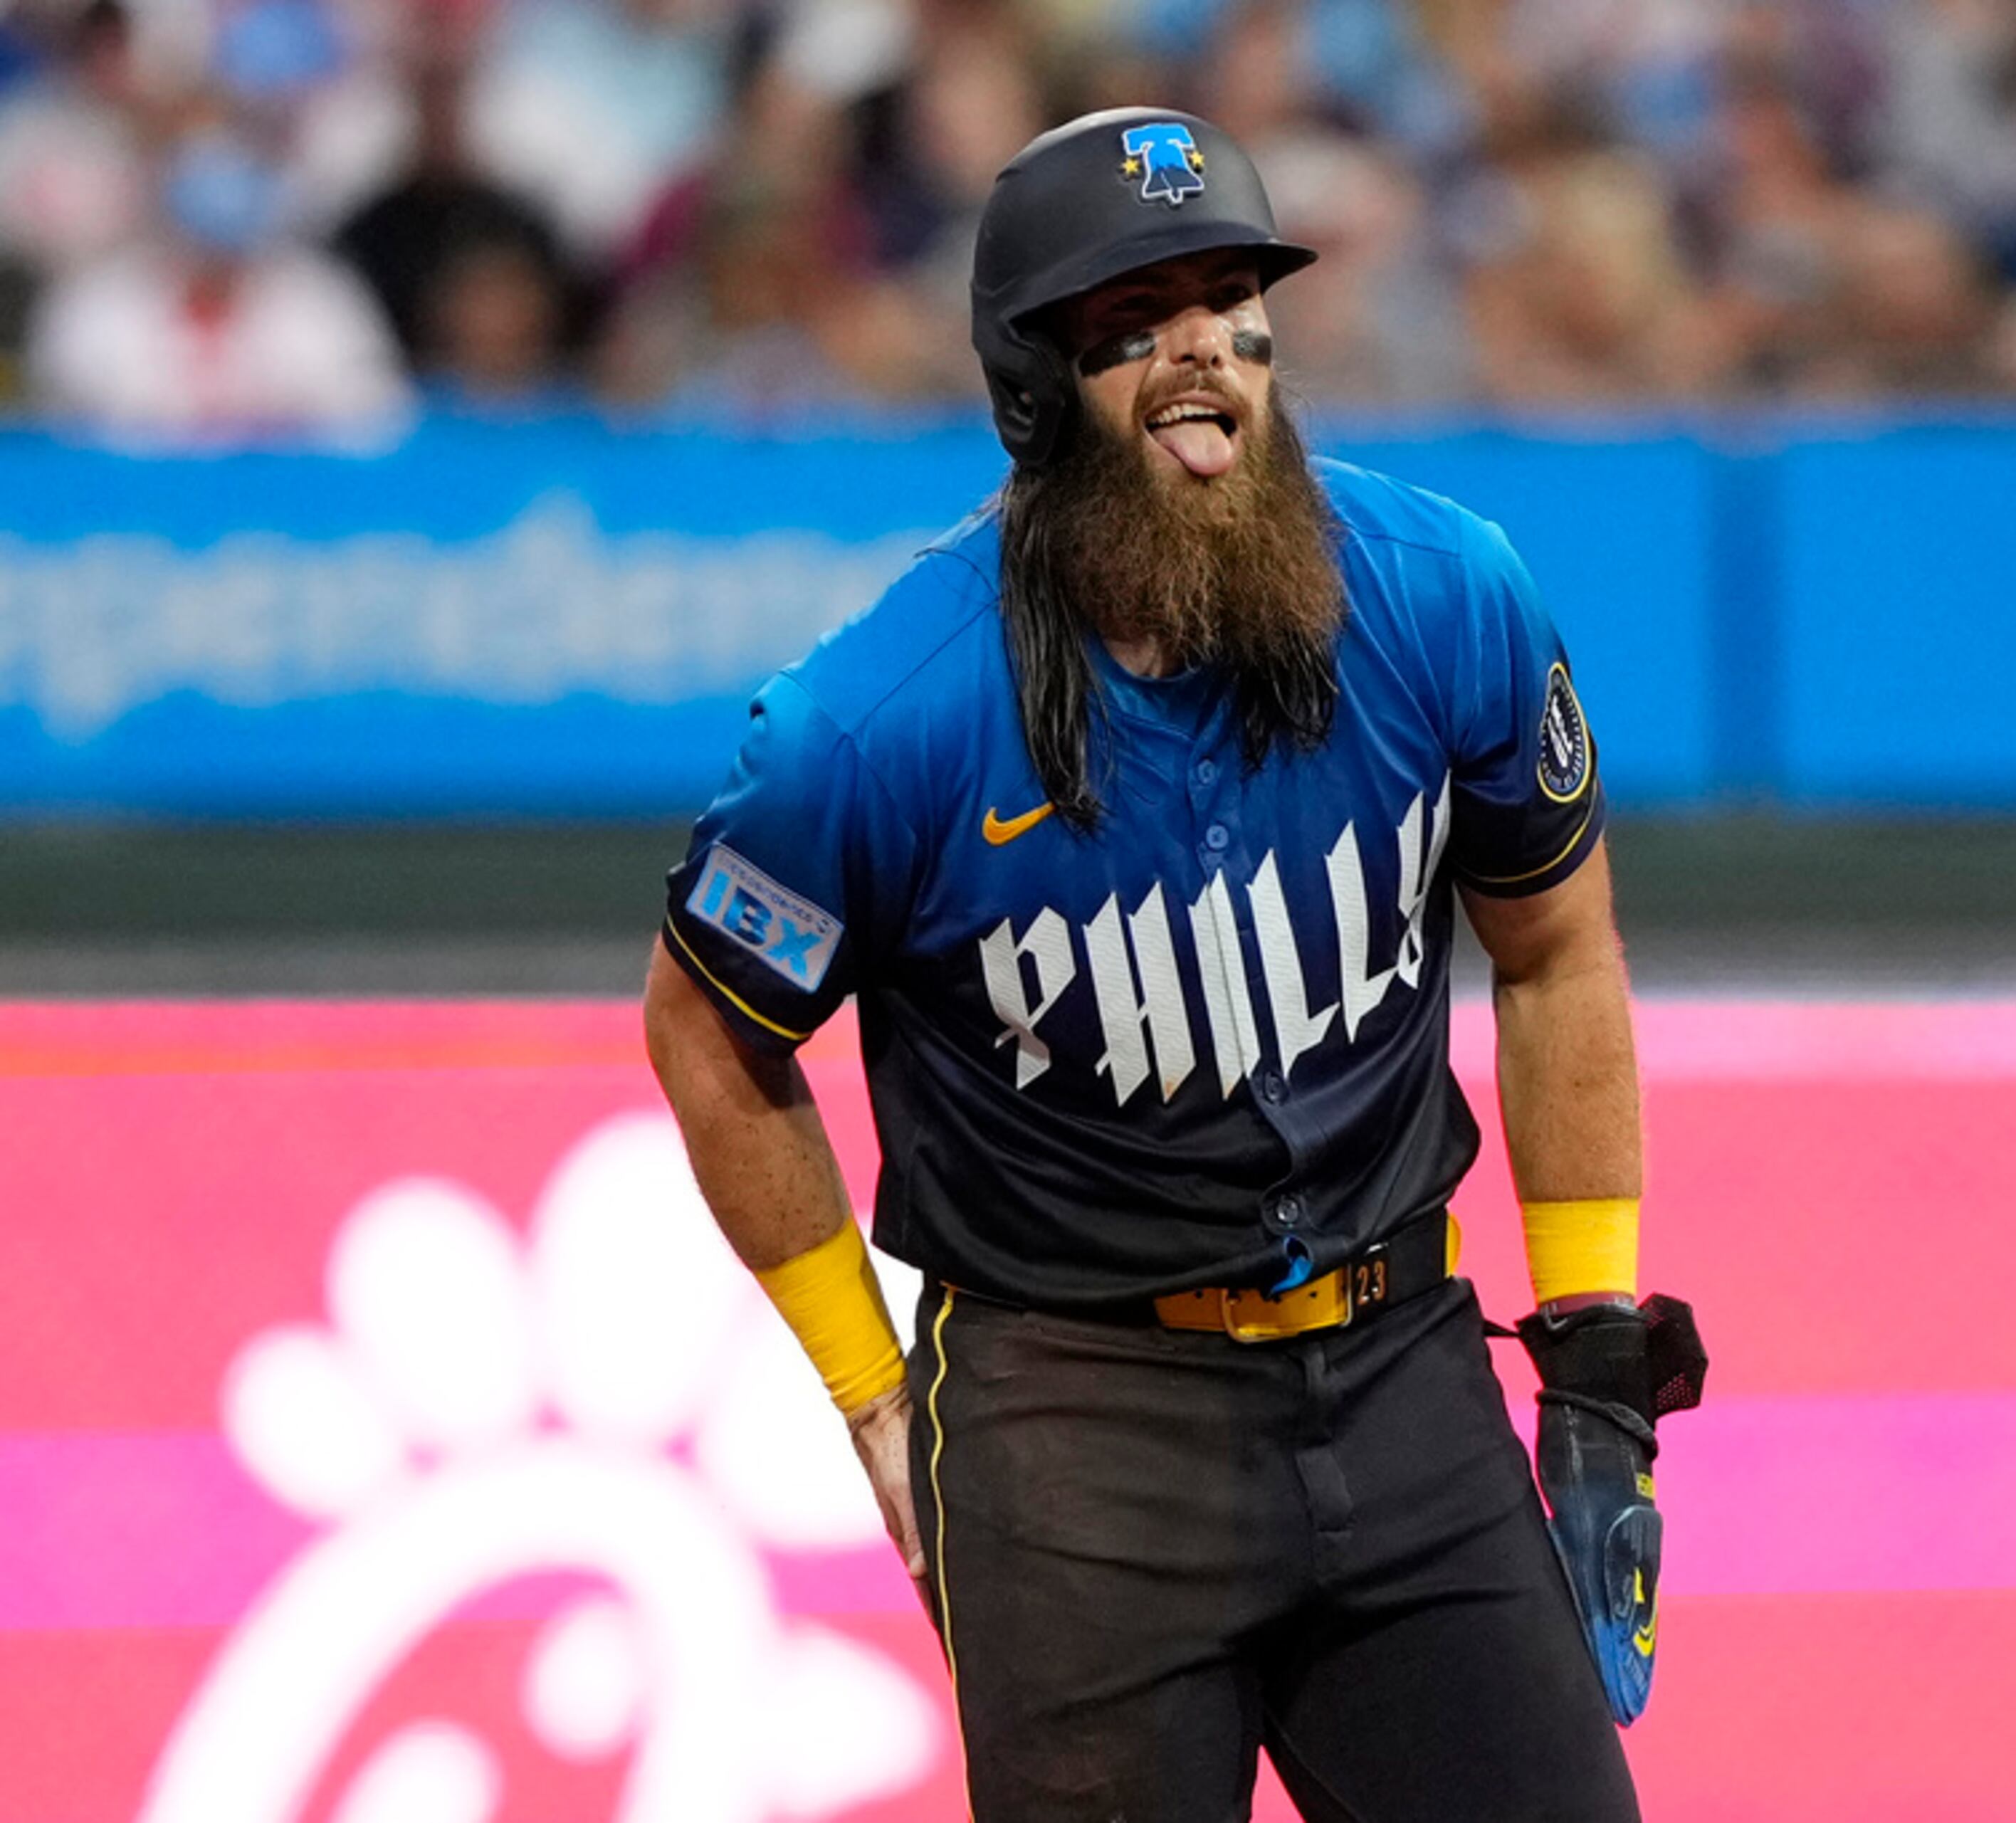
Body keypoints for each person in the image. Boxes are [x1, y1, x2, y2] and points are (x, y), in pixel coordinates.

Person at [641, 105, 1700, 1822]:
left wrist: (1588, 1344)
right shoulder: (870, 726)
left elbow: (1561, 951)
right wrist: (870, 1390)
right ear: (1032, 386)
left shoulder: (1446, 596)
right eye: (1136, 316)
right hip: (1077, 1425)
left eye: (1231, 299)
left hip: (1404, 1360)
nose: (1204, 344)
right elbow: (708, 1033)